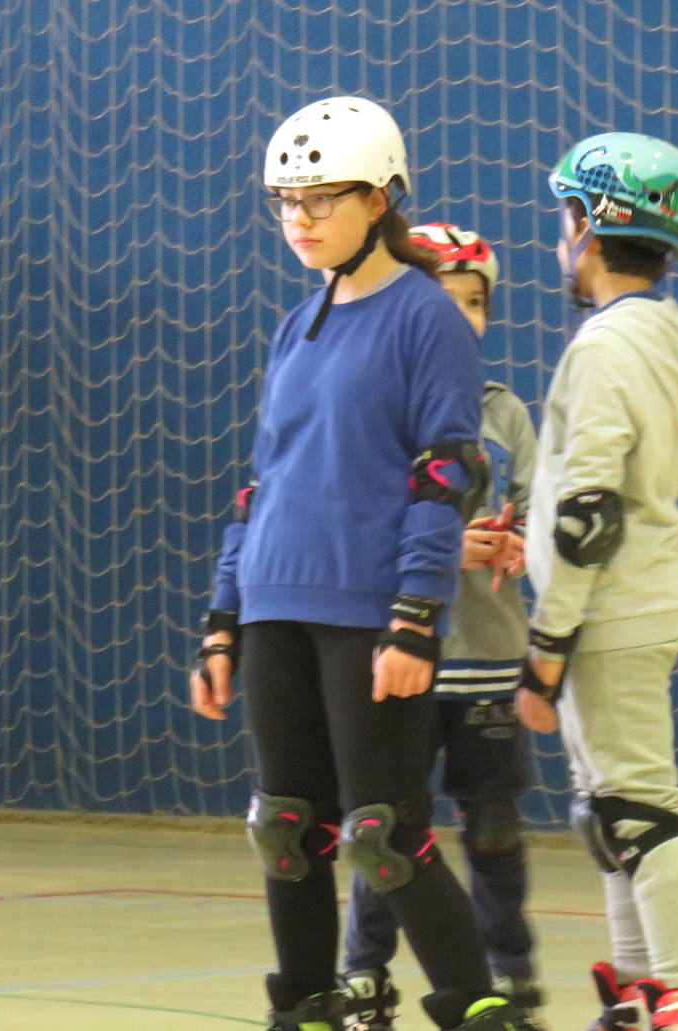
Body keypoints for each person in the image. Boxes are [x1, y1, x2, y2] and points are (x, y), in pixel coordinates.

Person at [189, 96, 537, 1031]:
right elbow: (264, 483)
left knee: (384, 836)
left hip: (365, 608)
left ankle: (482, 1012)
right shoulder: (297, 323)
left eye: (319, 198)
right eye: (284, 201)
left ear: (380, 198)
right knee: (287, 826)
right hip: (274, 600)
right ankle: (304, 1008)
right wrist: (222, 617)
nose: (297, 218)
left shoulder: (426, 317)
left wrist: (417, 612)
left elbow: (444, 472)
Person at [513, 132, 678, 1031]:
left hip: (606, 612)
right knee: (610, 813)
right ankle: (645, 997)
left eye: (565, 220)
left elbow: (589, 512)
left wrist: (547, 643)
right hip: (628, 602)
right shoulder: (653, 334)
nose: (559, 241)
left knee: (638, 810)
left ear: (592, 230)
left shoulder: (606, 346)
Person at [339, 223, 546, 1031]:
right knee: (386, 828)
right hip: (403, 650)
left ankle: (511, 976)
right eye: (443, 299)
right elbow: (352, 516)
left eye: (474, 302)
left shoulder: (506, 413)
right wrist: (440, 543)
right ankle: (364, 976)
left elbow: (539, 504)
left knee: (493, 828)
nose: (459, 316)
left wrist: (523, 540)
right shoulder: (377, 403)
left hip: (488, 657)